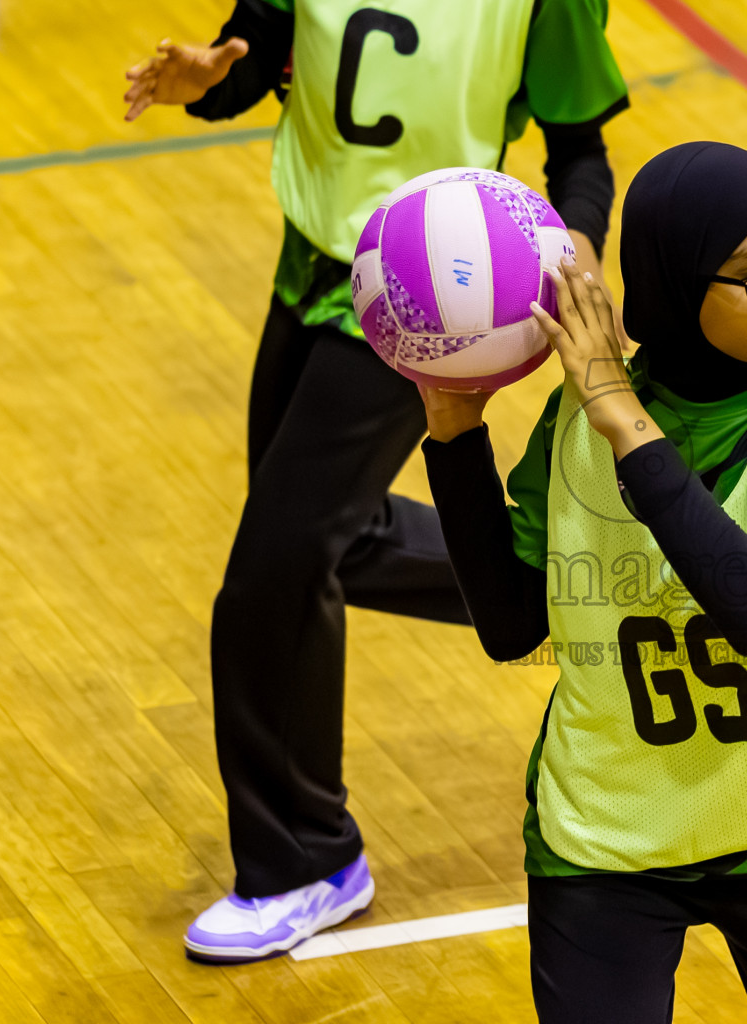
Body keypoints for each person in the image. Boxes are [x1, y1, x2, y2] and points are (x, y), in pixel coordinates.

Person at [121, 0, 629, 963]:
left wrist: (582, 262)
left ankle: (305, 860)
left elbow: (579, 150)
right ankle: (567, 584)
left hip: (434, 292)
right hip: (314, 266)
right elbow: (257, 52)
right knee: (330, 540)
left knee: (271, 573)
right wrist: (207, 80)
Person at [419, 141, 747, 1023]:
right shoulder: (576, 423)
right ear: (673, 287)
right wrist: (454, 430)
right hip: (609, 841)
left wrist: (620, 415)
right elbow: (509, 625)